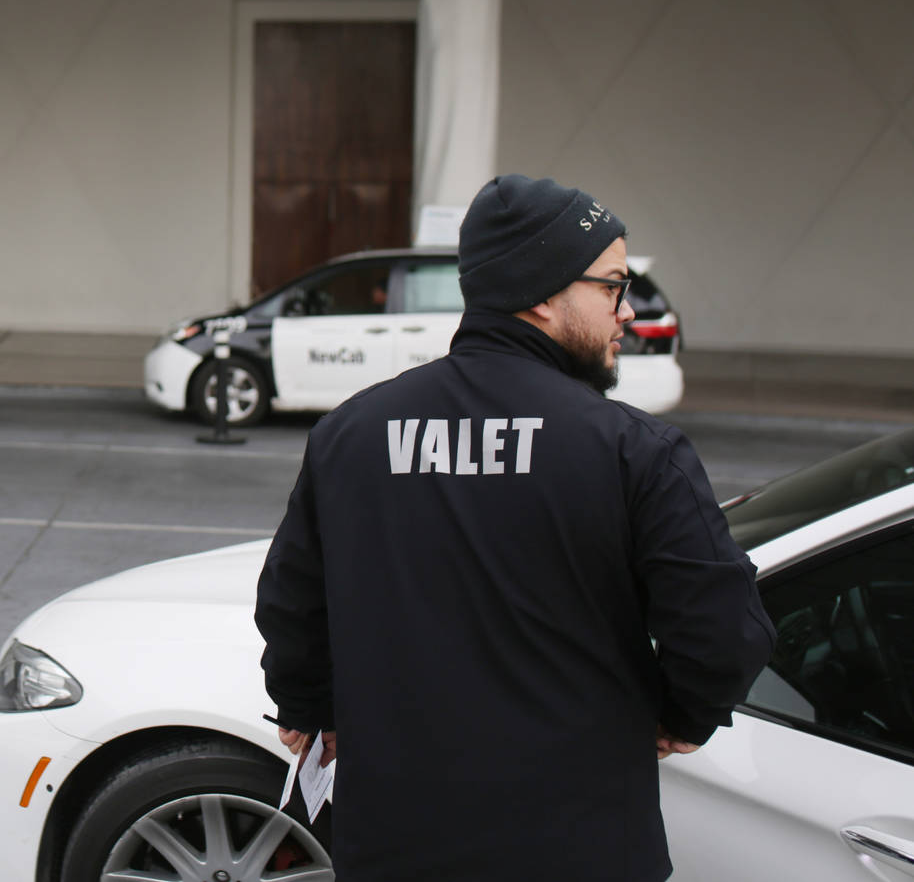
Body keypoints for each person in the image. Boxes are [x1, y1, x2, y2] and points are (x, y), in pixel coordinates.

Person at [255, 174, 776, 882]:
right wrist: (683, 714)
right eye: (612, 287)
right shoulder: (633, 449)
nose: (626, 314)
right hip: (580, 848)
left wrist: (308, 701)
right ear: (541, 291)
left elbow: (292, 604)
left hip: (395, 845)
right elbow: (721, 630)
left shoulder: (350, 433)